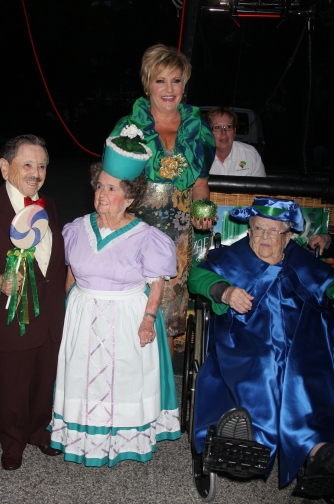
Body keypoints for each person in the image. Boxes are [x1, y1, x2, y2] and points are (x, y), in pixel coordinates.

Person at [49, 125, 181, 467]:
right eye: (99, 186)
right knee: (81, 377)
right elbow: (71, 275)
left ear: (130, 197)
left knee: (124, 378)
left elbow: (156, 282)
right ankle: (85, 438)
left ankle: (122, 439)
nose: (101, 194)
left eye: (111, 188)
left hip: (126, 317)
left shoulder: (147, 237)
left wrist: (149, 319)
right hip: (83, 313)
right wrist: (64, 314)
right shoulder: (76, 229)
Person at [188, 197, 334, 498]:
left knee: (305, 374)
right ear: (248, 228)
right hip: (243, 340)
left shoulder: (301, 260)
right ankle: (249, 439)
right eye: (257, 229)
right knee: (264, 365)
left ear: (289, 235)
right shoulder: (231, 257)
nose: (264, 237)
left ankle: (321, 453)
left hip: (300, 342)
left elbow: (328, 284)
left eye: (272, 231)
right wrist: (224, 291)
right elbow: (197, 277)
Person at [108, 44, 215, 357]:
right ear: (147, 84)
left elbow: (201, 184)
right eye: (161, 81)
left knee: (166, 319)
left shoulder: (199, 130)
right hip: (134, 229)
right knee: (130, 310)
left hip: (178, 238)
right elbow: (112, 185)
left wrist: (203, 214)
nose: (169, 89)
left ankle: (163, 398)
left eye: (177, 80)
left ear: (185, 85)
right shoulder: (128, 129)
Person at [0, 135, 66, 470]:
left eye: (42, 165)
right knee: (10, 387)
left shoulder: (47, 205)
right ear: (4, 167)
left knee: (43, 381)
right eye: (27, 164)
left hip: (50, 313)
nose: (36, 172)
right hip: (8, 318)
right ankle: (12, 444)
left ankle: (39, 431)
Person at [208, 107, 266, 177]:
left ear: (234, 131)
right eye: (217, 127)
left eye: (228, 127)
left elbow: (258, 186)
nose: (223, 132)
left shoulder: (250, 155)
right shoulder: (198, 157)